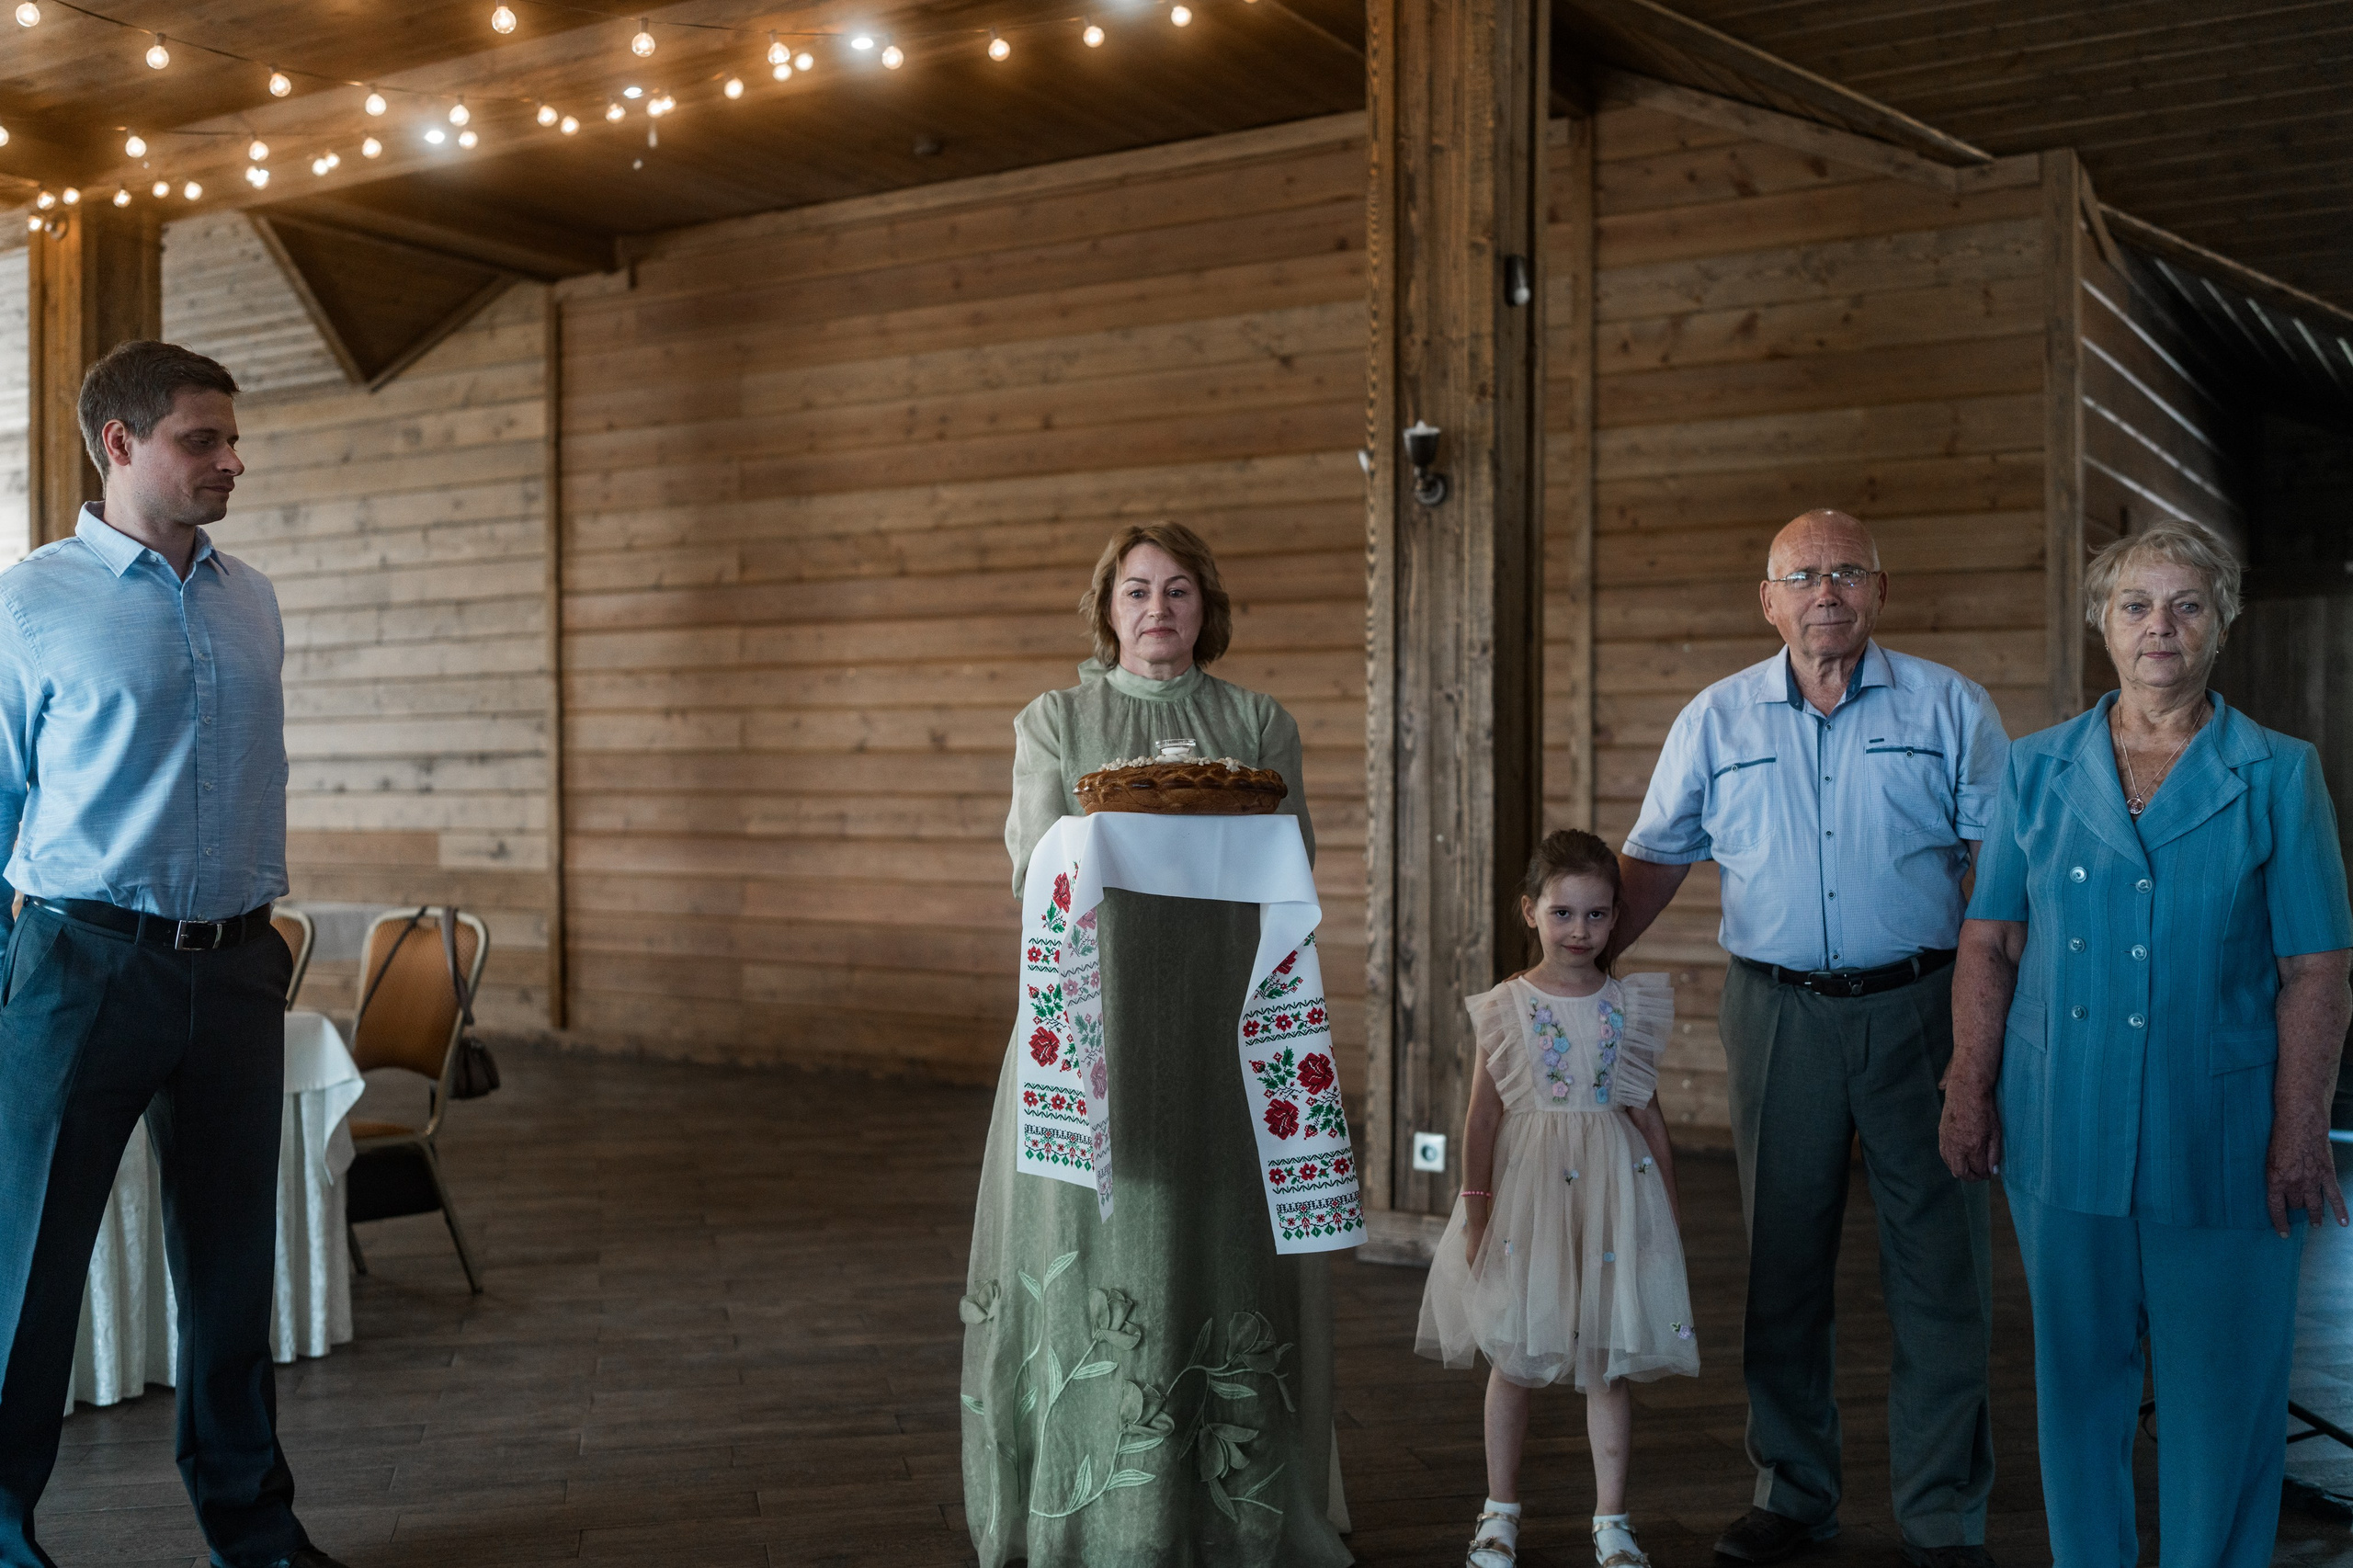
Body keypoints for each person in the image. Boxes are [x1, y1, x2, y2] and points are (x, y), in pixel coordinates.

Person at [1939, 522, 2351, 1567]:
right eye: (2134, 604)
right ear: (2102, 624)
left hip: (2220, 1133)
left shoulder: (2277, 774)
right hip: (2058, 1123)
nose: (2158, 626)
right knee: (2076, 1382)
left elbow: (2316, 971)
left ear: (2221, 624)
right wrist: (1967, 1085)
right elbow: (1989, 943)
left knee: (2223, 1393)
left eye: (2185, 604)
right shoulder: (2033, 770)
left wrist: (2302, 1127)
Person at [0, 342, 344, 1568]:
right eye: (202, 440)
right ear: (119, 444)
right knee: (30, 1273)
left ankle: (254, 1534)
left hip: (242, 969)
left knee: (233, 1274)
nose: (230, 461)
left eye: (232, 439)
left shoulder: (253, 597)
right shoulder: (25, 601)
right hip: (83, 963)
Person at [1609, 509, 2007, 1567]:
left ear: (1879, 588)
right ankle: (1791, 1488)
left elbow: (1997, 882)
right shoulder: (1715, 718)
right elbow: (1651, 860)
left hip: (1921, 1007)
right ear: (1768, 599)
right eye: (1802, 575)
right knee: (1783, 1256)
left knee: (1940, 1267)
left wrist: (1991, 1039)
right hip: (1776, 1011)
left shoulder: (1951, 706)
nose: (1823, 591)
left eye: (1844, 571)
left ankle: (1940, 1512)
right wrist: (1573, 974)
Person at [958, 521, 1350, 1568]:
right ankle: (1092, 1505)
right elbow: (1031, 866)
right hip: (1098, 1023)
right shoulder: (1054, 719)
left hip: (1219, 1029)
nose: (1157, 610)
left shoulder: (1257, 720)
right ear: (1107, 607)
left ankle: (1237, 1504)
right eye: (1136, 591)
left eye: (1177, 590)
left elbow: (1292, 857)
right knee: (1097, 1242)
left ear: (1204, 607)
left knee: (1220, 1242)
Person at [1416, 829, 1695, 1568]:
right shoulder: (1509, 1006)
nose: (1581, 931)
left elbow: (1648, 1116)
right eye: (1564, 913)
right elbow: (1483, 1116)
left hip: (1609, 1190)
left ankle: (1611, 1519)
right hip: (1528, 1196)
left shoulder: (1625, 1005)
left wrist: (1664, 1216)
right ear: (1530, 912)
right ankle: (1499, 1511)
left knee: (1604, 1357)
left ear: (1614, 917)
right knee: (1516, 1351)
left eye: (1598, 915)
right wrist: (1477, 1211)